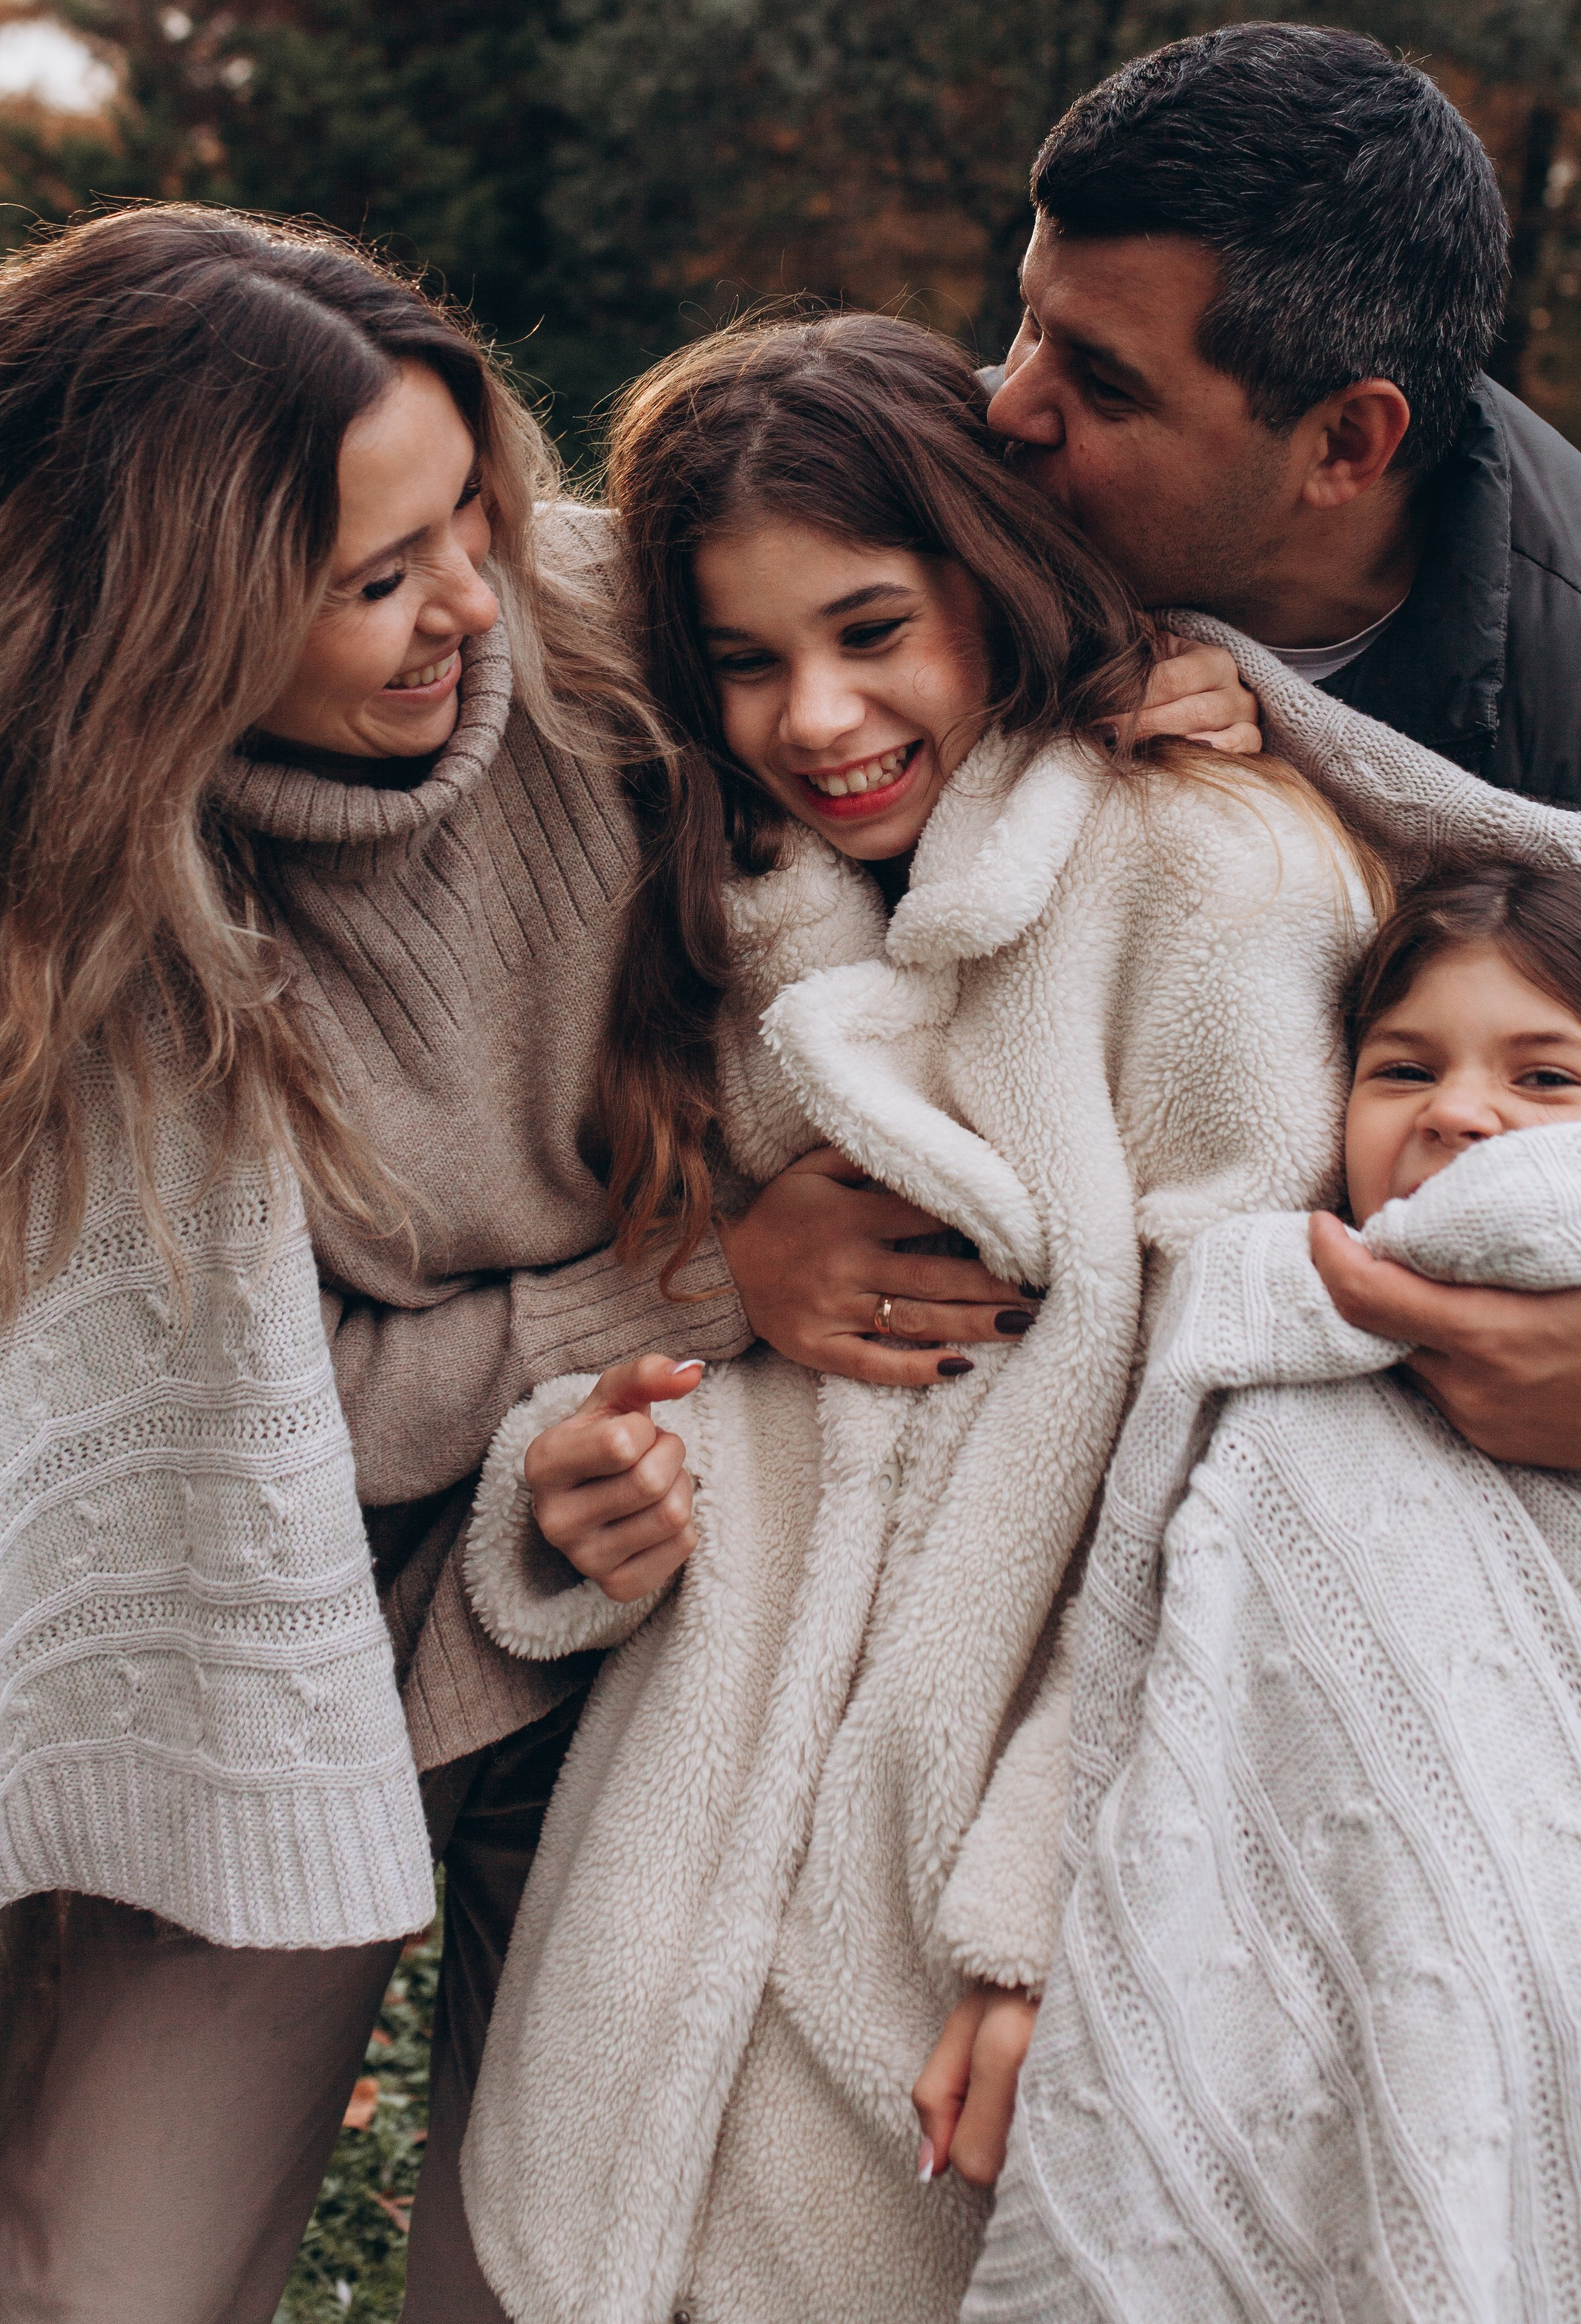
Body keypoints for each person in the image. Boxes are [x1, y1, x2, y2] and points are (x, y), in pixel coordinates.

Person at [0, 212, 1036, 2324]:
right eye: (374, 578)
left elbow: (961, 690)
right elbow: (214, 1431)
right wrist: (705, 1283)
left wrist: (1167, 685)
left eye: (472, 508)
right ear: (160, 624)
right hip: (291, 1622)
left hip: (689, 1543)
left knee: (571, 2266)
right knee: (90, 2272)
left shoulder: (616, 626)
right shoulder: (57, 922)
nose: (468, 601)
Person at [450, 312, 1384, 2324]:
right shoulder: (727, 900)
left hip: (999, 1866)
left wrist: (1047, 1910)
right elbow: (683, 1336)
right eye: (748, 657)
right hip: (679, 1846)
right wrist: (577, 1485)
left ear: (1000, 575)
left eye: (876, 629)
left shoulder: (1208, 887)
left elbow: (1246, 1457)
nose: (816, 713)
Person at [968, 850, 1581, 2317]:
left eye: (1544, 1078)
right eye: (1400, 1067)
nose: (1454, 1112)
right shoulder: (1268, 1359)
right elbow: (1161, 1685)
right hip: (1392, 1999)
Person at [980, 19, 1581, 1494]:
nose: (1006, 403)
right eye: (1024, 320)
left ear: (1346, 443)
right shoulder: (985, 501)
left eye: (1102, 384)